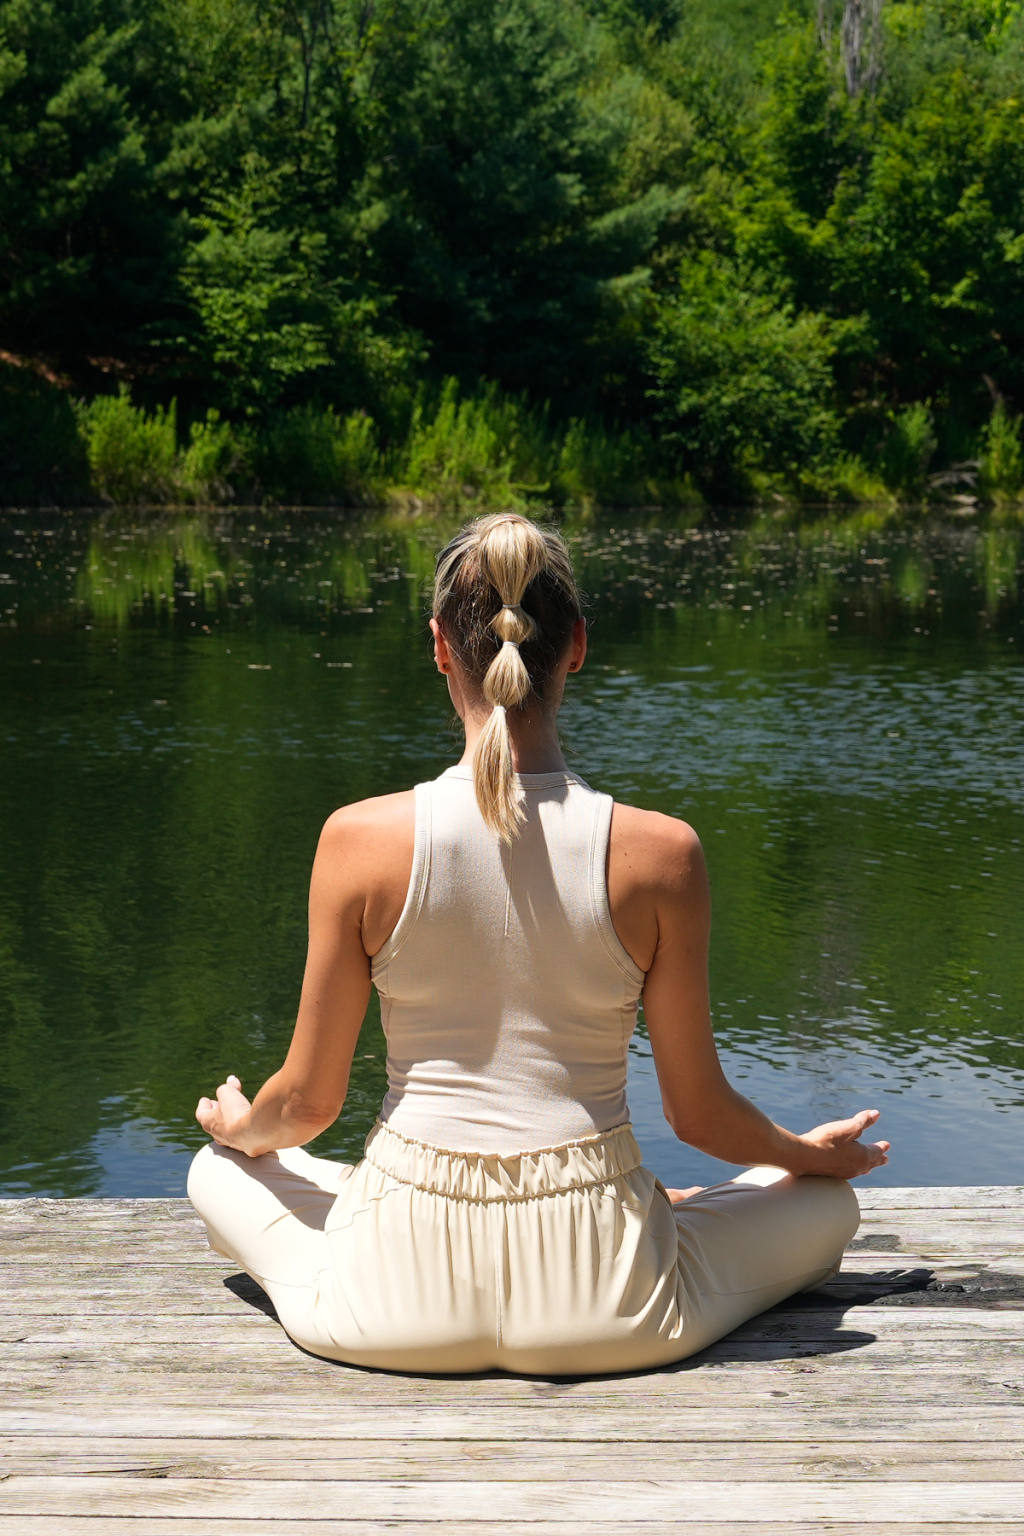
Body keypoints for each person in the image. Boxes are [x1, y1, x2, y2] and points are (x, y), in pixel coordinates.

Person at [188, 512, 888, 1376]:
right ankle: (672, 1210)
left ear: (441, 647)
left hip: (391, 1303)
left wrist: (240, 1127)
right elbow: (699, 1116)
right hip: (606, 1303)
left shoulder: (357, 840)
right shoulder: (661, 853)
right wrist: (805, 1157)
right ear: (578, 646)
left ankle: (322, 1202)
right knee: (825, 1211)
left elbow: (304, 1107)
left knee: (219, 1171)